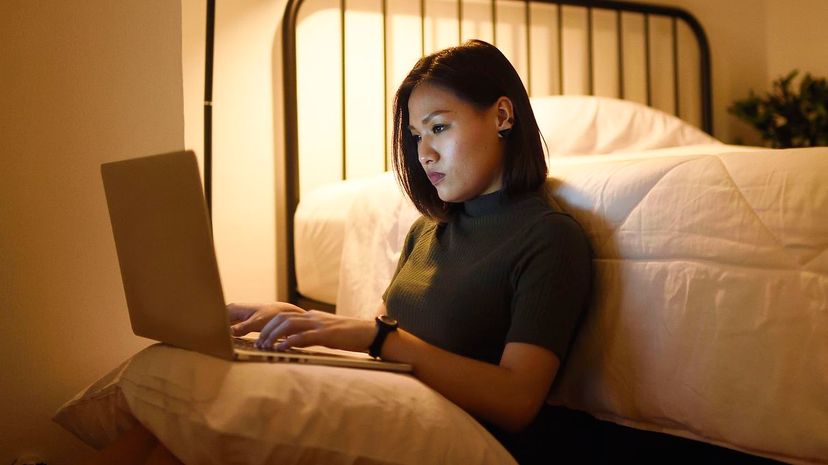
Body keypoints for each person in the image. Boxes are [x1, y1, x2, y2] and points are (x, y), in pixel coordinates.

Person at [229, 39, 592, 464]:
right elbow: (385, 344)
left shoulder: (548, 238)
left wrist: (379, 336)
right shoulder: (427, 231)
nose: (424, 154)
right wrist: (297, 323)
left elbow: (517, 401)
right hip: (395, 416)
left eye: (439, 128)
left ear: (502, 116)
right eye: (417, 136)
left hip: (468, 444)